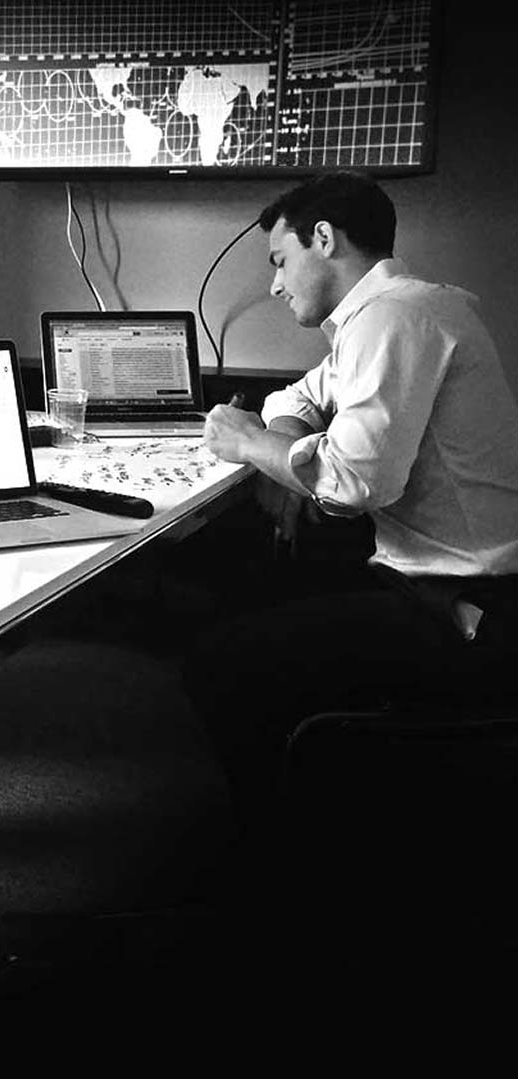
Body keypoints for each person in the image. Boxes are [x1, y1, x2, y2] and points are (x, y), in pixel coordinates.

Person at [183, 172, 518, 948]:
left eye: (278, 260)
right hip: (440, 582)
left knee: (216, 664)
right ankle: (321, 832)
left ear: (323, 239)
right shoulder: (398, 311)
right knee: (249, 592)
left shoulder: (394, 318)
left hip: (471, 609)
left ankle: (286, 884)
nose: (274, 285)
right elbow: (291, 400)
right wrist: (280, 453)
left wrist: (255, 450)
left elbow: (352, 484)